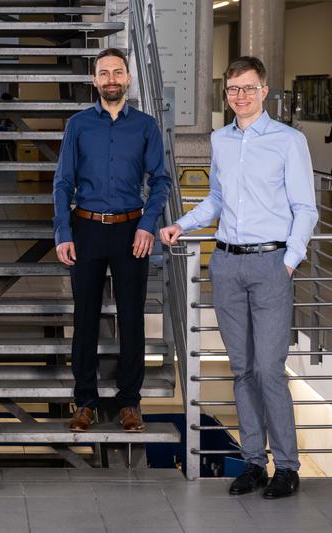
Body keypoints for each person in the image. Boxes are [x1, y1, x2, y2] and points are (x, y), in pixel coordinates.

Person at [161, 56, 317, 499]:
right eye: (233, 90)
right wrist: (183, 225)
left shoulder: (289, 141)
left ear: (264, 90)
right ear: (226, 94)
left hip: (271, 265)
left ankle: (287, 465)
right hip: (226, 264)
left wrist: (289, 261)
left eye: (248, 88)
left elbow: (305, 208)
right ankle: (253, 462)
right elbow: (215, 199)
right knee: (243, 369)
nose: (240, 96)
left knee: (270, 369)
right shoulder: (221, 140)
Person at [52, 48, 171, 433]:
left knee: (132, 318)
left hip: (130, 230)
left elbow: (161, 181)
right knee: (85, 317)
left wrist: (147, 226)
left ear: (128, 78)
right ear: (94, 80)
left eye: (117, 72)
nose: (111, 79)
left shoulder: (146, 126)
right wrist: (63, 232)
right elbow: (62, 183)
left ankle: (129, 402)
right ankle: (84, 400)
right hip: (85, 228)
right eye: (104, 73)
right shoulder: (78, 125)